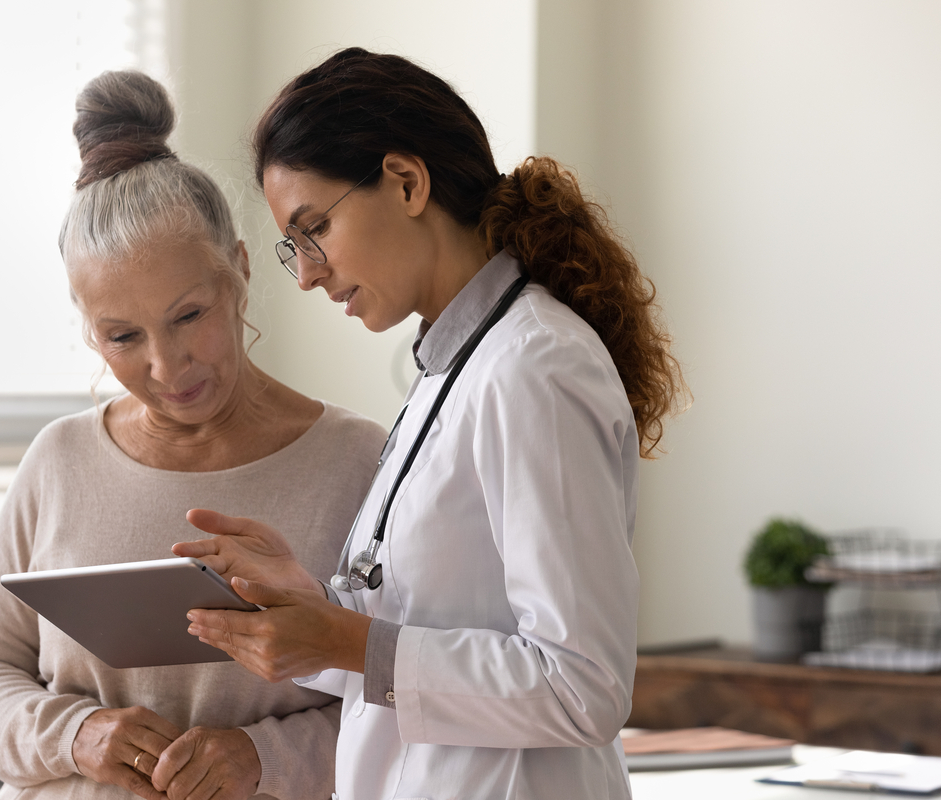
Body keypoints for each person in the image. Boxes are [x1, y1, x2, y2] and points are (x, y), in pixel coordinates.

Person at [173, 48, 686, 799]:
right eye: (294, 248)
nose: (308, 272)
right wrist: (311, 611)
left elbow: (585, 686)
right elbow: (429, 624)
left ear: (407, 182)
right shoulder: (452, 368)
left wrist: (351, 640)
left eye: (313, 228)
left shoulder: (533, 368)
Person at [0, 70, 387, 800]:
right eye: (122, 336)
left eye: (188, 316)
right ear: (90, 334)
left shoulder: (358, 462)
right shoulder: (58, 462)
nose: (165, 365)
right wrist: (75, 737)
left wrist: (260, 756)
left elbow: (401, 693)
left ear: (240, 272)